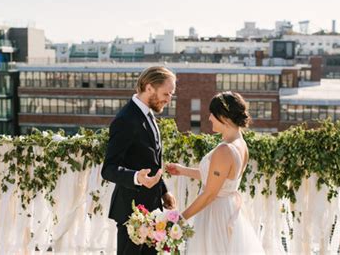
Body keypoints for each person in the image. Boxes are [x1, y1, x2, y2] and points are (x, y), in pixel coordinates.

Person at [166, 91, 265, 254]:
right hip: (227, 210)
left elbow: (210, 193)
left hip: (215, 216)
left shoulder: (225, 150)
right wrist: (183, 171)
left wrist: (180, 219)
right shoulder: (240, 144)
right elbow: (219, 179)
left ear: (224, 116)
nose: (209, 118)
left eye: (212, 114)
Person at [102, 66, 177, 255]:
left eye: (171, 94)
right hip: (131, 213)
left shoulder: (148, 114)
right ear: (149, 87)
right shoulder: (125, 120)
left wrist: (163, 191)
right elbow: (109, 168)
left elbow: (150, 162)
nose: (169, 99)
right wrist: (136, 177)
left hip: (153, 210)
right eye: (166, 94)